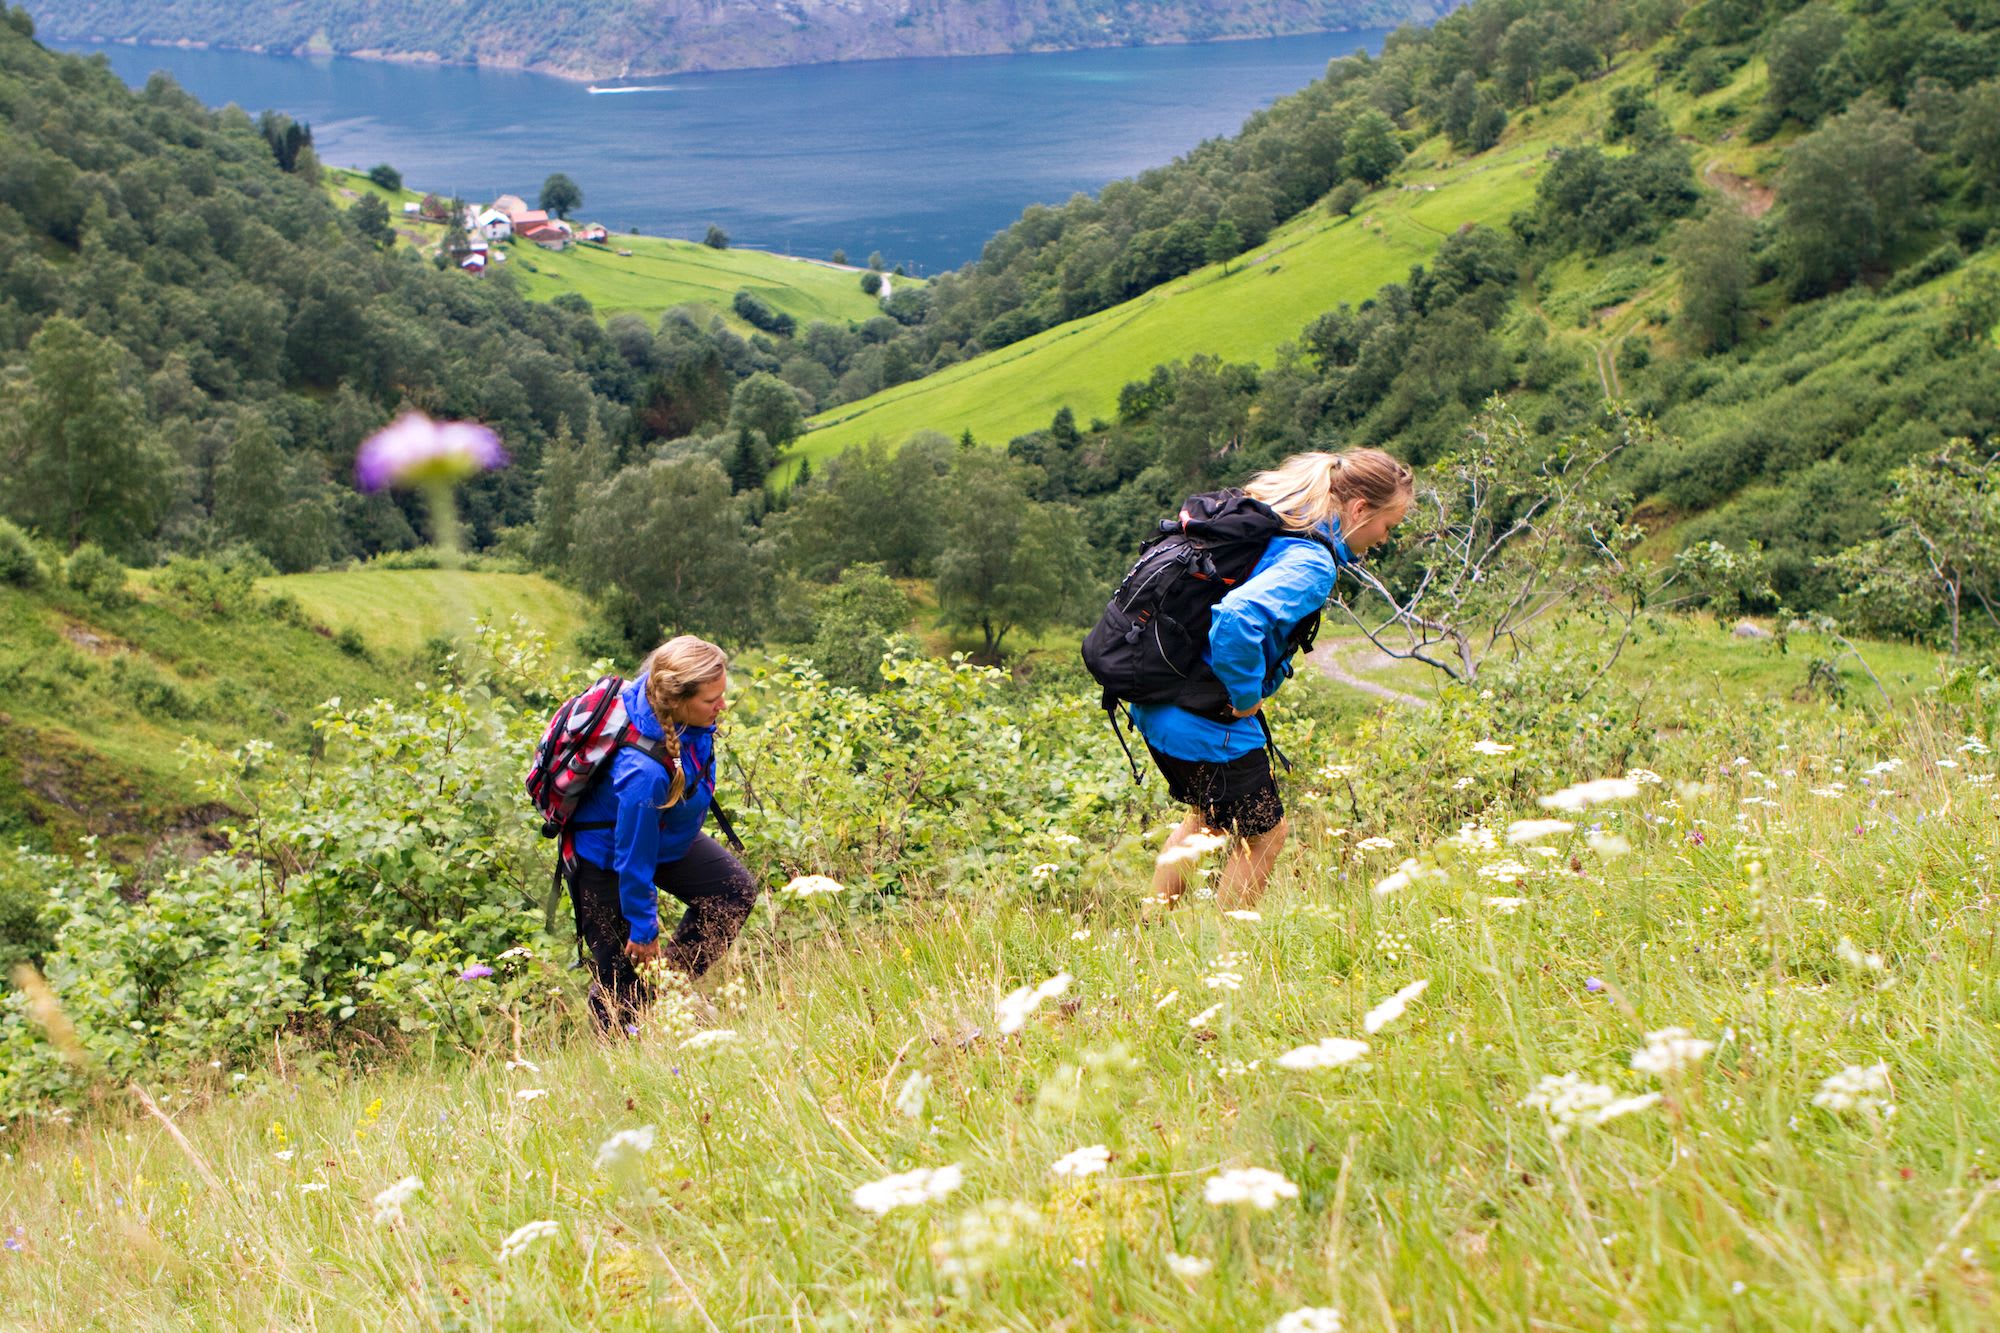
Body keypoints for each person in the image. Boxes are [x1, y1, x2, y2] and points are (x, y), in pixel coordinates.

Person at [1135, 449, 1413, 912]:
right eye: (1388, 525)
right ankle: (1228, 957)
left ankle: (1149, 931)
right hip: (1201, 716)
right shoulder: (1311, 562)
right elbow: (1237, 619)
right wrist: (1245, 696)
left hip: (1158, 693)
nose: (1384, 539)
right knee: (1266, 833)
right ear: (1360, 509)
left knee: (1208, 820)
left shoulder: (1275, 527)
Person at [566, 635, 757, 1031]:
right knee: (617, 982)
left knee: (733, 894)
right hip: (604, 858)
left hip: (665, 834)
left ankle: (648, 995)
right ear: (677, 699)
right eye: (711, 700)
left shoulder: (680, 715)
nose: (722, 706)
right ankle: (620, 1051)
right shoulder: (644, 771)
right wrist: (644, 929)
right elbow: (631, 856)